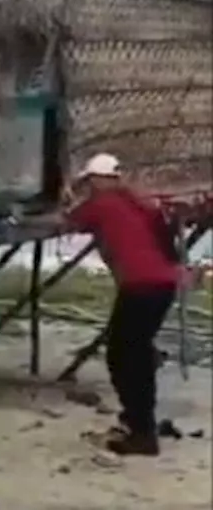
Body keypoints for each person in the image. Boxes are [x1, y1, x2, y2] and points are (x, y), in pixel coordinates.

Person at [61, 153, 182, 456]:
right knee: (133, 352)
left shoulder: (101, 203)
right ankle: (137, 421)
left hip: (141, 285)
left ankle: (142, 432)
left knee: (124, 357)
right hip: (163, 283)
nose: (89, 186)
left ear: (100, 180)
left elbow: (71, 220)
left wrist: (69, 199)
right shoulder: (137, 200)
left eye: (90, 181)